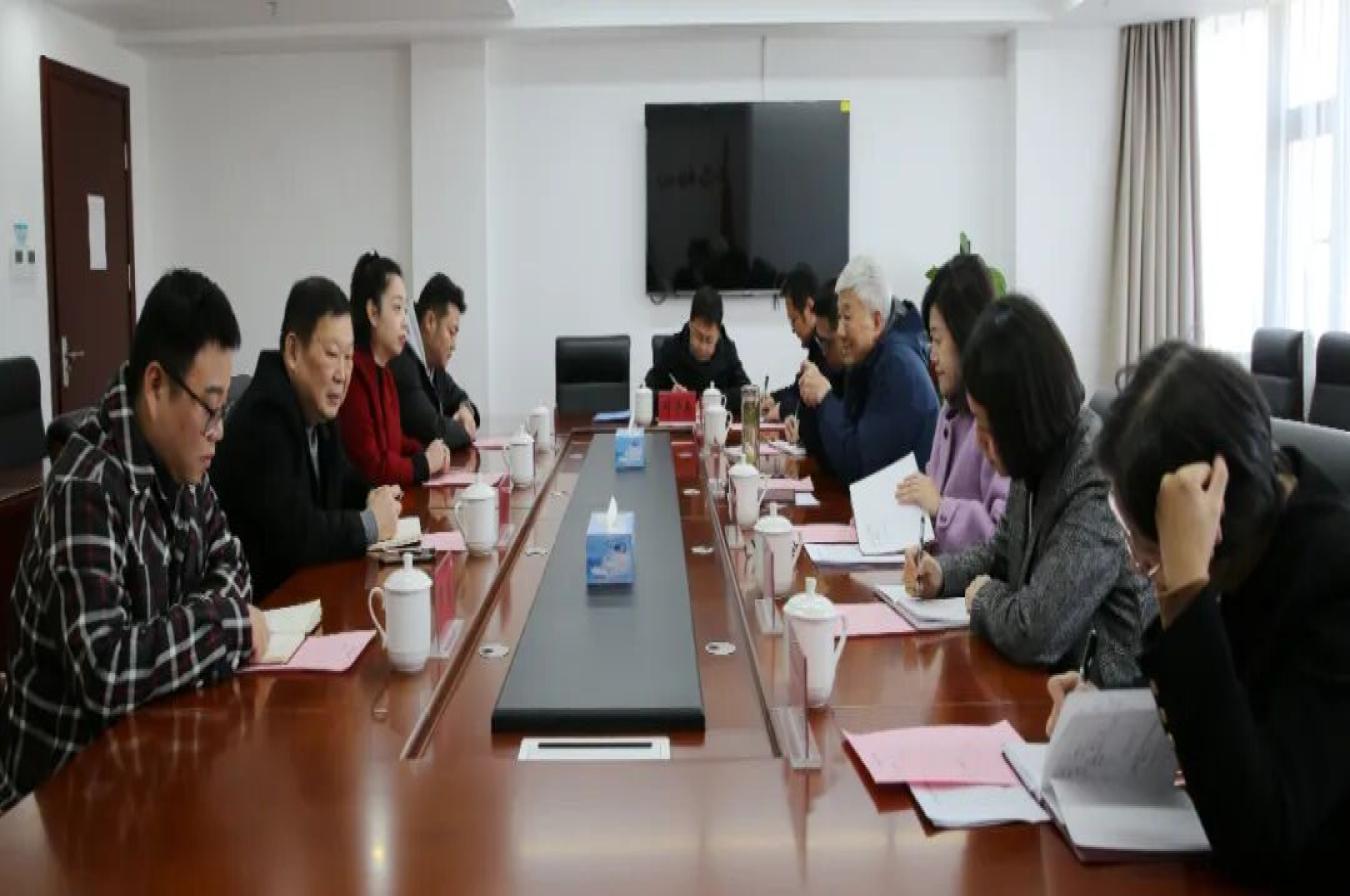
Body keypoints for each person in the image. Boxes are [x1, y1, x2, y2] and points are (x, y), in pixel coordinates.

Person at [1046, 342, 1350, 885]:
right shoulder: (1255, 540)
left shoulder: (1334, 577)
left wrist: (1187, 590)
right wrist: (1108, 713)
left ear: (1211, 504)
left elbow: (1262, 835)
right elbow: (1208, 695)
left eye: (1148, 544)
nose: (1138, 563)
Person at [0, 269, 264, 808]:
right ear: (156, 385)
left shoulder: (186, 466)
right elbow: (108, 671)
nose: (219, 430)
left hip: (151, 762)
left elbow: (234, 568)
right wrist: (224, 625)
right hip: (60, 804)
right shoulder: (86, 487)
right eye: (210, 407)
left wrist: (173, 638)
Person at [904, 294, 1152, 687]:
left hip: (1103, 700)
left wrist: (982, 598)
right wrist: (943, 574)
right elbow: (1002, 552)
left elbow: (1036, 630)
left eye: (987, 428)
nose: (980, 443)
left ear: (1023, 417)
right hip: (1048, 686)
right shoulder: (1036, 453)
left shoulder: (1096, 475)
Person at [213, 276, 403, 598]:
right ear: (293, 352)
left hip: (307, 594)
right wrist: (370, 524)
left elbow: (343, 477)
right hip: (266, 605)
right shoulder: (265, 416)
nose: (342, 374)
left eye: (348, 357)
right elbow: (296, 535)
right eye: (331, 354)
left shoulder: (317, 410)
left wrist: (374, 495)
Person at [895, 254, 1009, 554]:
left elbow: (1003, 541)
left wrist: (941, 507)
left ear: (966, 335)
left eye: (938, 340)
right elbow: (930, 497)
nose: (931, 355)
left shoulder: (998, 418)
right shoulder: (950, 410)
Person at [796, 254, 939, 483]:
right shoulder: (868, 357)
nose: (839, 331)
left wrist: (824, 398)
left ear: (876, 322)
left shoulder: (897, 367)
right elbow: (830, 451)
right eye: (839, 317)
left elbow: (857, 467)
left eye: (847, 317)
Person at [338, 251, 450, 487]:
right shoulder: (353, 376)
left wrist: (430, 451)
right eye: (397, 308)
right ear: (373, 312)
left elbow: (395, 443)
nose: (405, 323)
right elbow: (374, 468)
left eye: (405, 311)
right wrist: (425, 463)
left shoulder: (386, 374)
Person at [389, 273, 480, 450]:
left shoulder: (432, 362)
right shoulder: (401, 359)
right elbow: (433, 429)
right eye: (451, 332)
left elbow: (460, 398)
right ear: (430, 321)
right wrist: (464, 429)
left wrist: (465, 409)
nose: (454, 345)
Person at [644, 285, 752, 402]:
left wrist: (715, 399)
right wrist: (670, 396)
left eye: (709, 340)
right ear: (690, 325)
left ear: (718, 334)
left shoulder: (727, 349)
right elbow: (646, 392)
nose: (702, 347)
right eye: (698, 337)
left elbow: (747, 392)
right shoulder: (671, 348)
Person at [785, 281, 846, 470]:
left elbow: (849, 452)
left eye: (793, 320)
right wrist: (800, 426)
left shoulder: (861, 368)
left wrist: (825, 397)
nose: (824, 351)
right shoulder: (824, 353)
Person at [763, 264, 822, 422]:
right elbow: (798, 390)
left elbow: (817, 400)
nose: (793, 330)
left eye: (794, 320)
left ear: (809, 307)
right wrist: (773, 398)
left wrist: (783, 409)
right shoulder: (815, 345)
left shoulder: (827, 345)